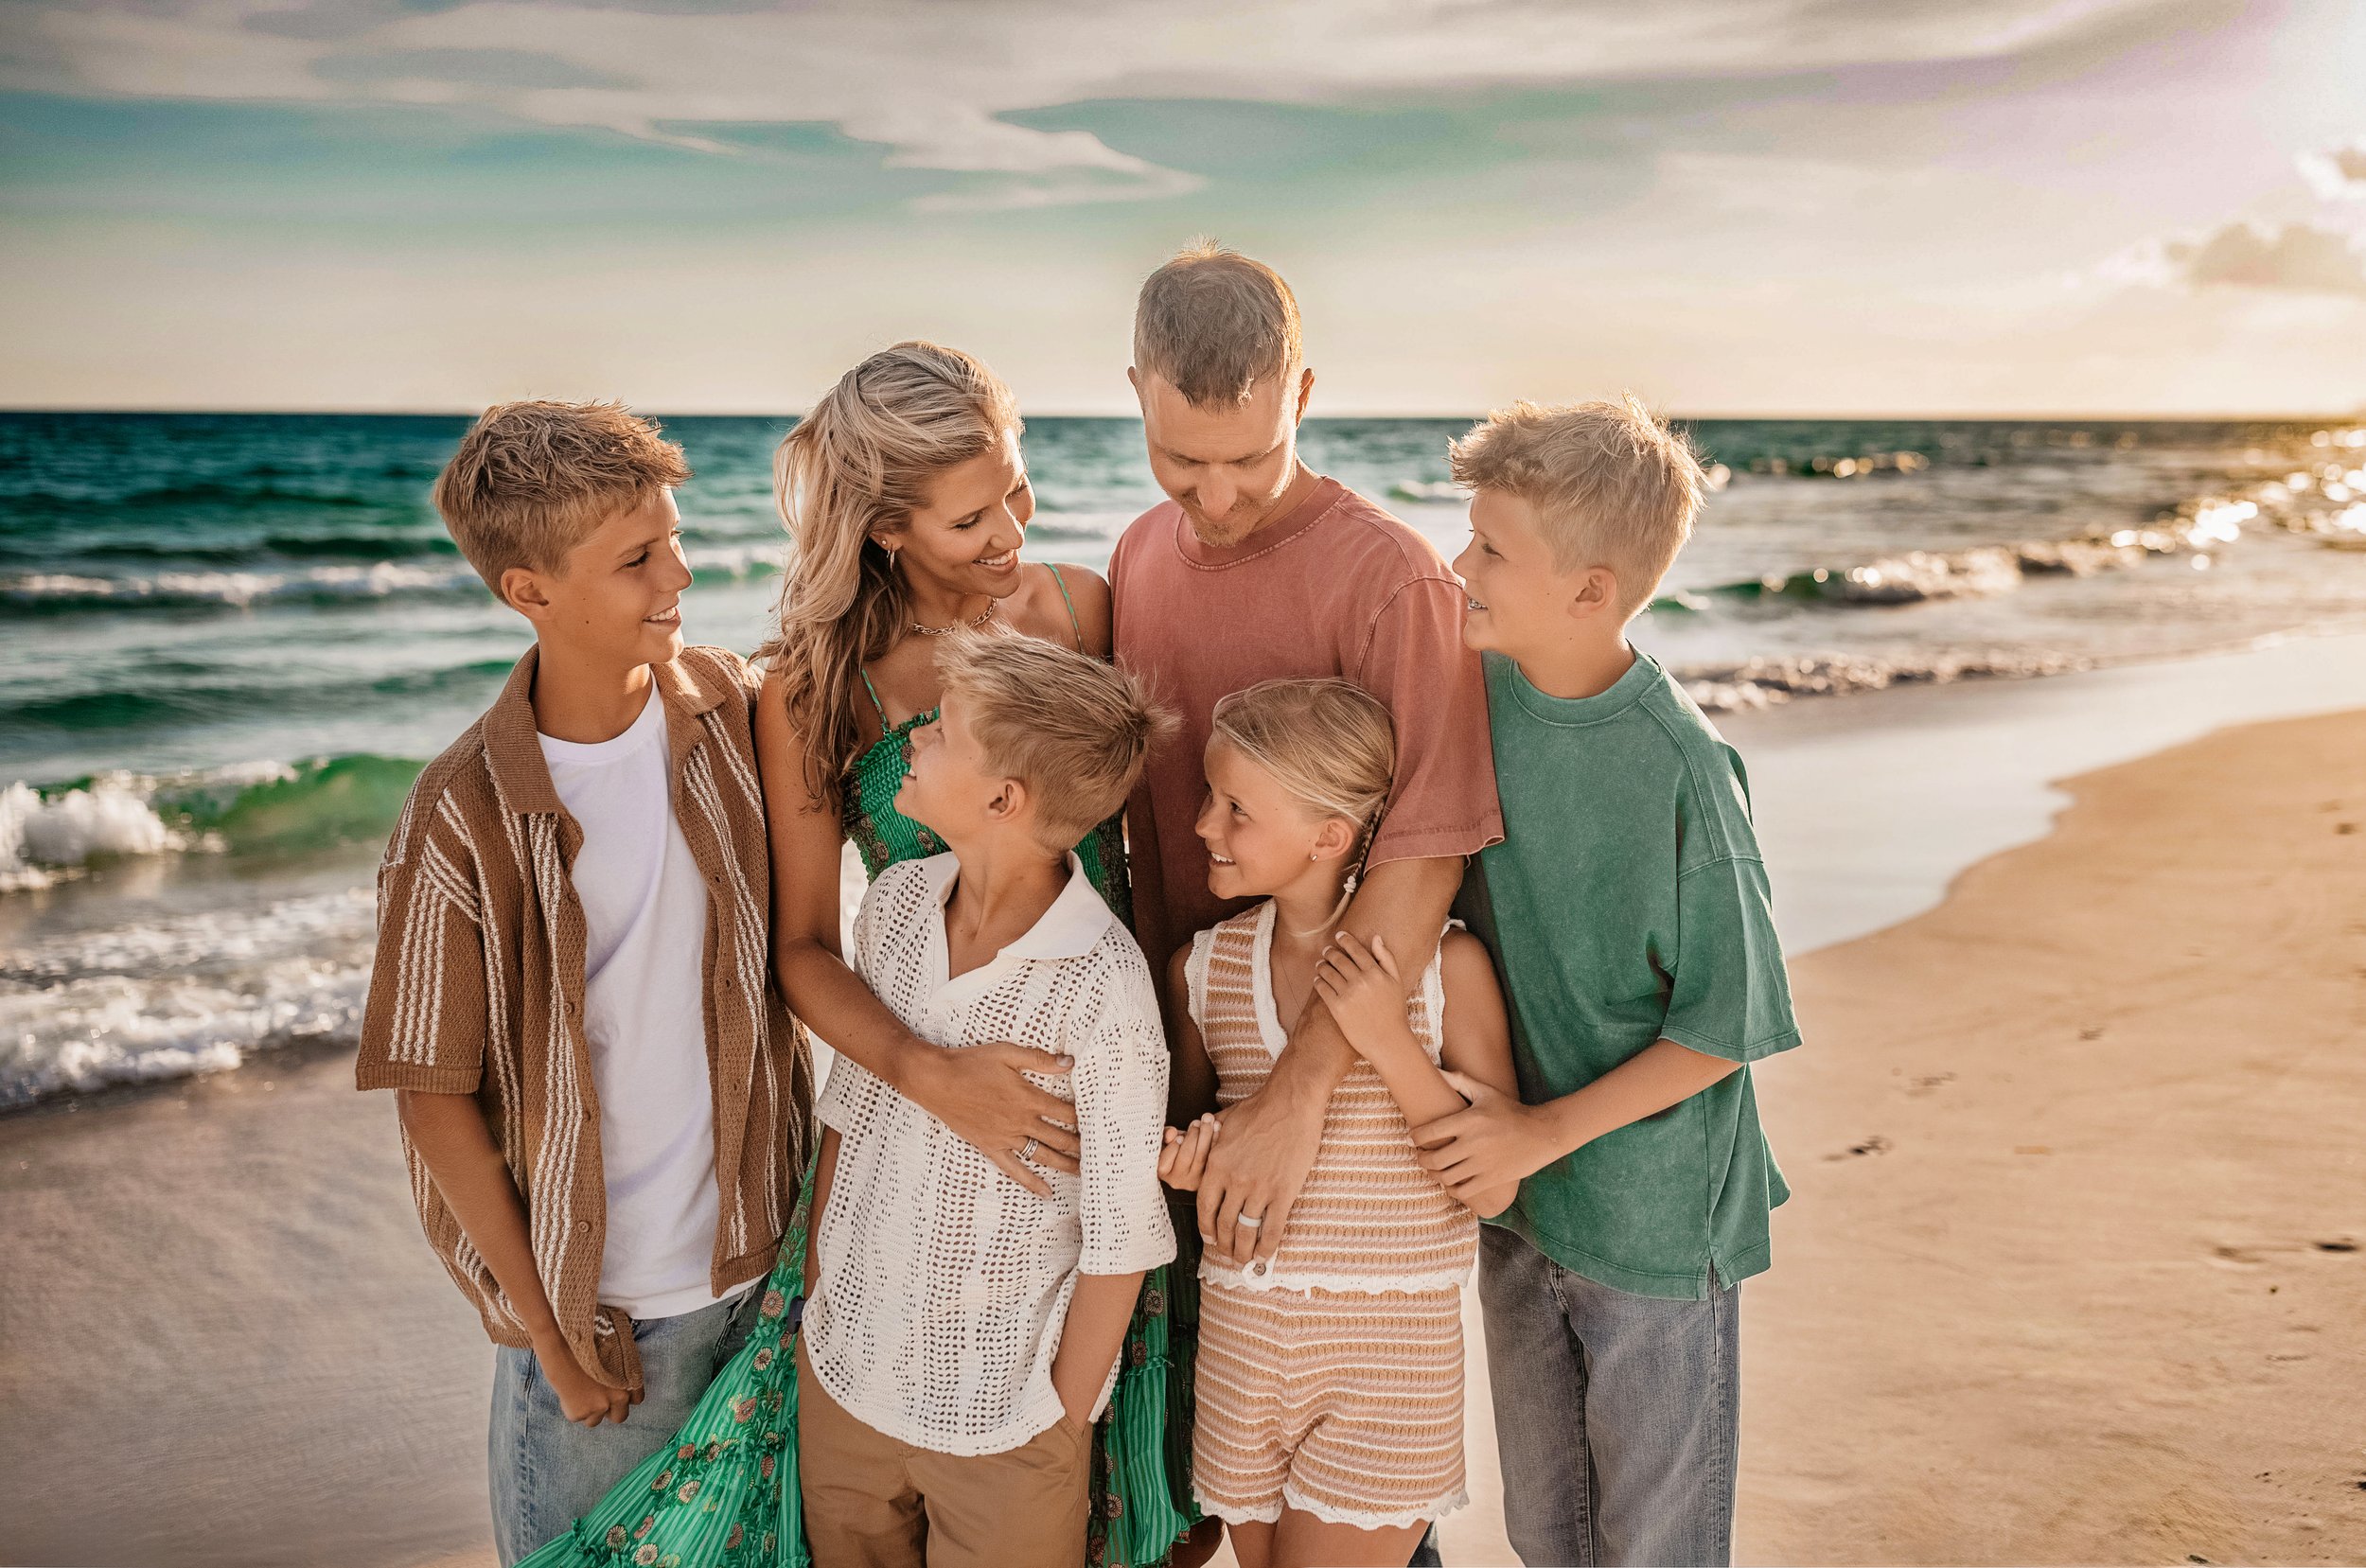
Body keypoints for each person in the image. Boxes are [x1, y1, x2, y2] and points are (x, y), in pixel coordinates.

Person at [754, 342, 1194, 1566]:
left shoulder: (1079, 610)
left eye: (1017, 486)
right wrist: (931, 1075)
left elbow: (1149, 862)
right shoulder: (817, 688)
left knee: (1114, 1496)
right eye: (970, 518)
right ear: (885, 526)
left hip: (1093, 1118)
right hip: (912, 1138)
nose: (1013, 530)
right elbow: (805, 947)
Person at [355, 400, 811, 1567]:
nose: (680, 574)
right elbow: (431, 1097)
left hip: (764, 1284)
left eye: (674, 539)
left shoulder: (731, 715)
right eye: (637, 557)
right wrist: (552, 1339)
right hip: (606, 1333)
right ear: (530, 590)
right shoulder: (459, 813)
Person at [1416, 398, 1804, 1566]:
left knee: (1654, 1544)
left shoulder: (1683, 768)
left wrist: (1539, 1132)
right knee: (1549, 1534)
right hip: (1522, 1204)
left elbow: (1728, 1025)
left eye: (1491, 549)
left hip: (1653, 1223)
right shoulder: (1473, 696)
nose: (1459, 565)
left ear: (1590, 591)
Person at [1107, 240, 1503, 1273]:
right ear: (1137, 392)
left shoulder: (1394, 578)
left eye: (1250, 458)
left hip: (1335, 1102)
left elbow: (1424, 856)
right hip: (1187, 1063)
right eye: (1182, 460)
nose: (1216, 496)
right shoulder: (1137, 553)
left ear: (1304, 395)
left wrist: (1296, 1094)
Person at [797, 631, 1178, 1568]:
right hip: (847, 1378)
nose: (915, 738)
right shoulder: (894, 905)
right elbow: (850, 1112)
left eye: (942, 730)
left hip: (1006, 1423)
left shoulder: (1103, 985)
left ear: (1004, 799)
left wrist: (1059, 1417)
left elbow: (1123, 1235)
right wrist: (819, 1296)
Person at [1156, 679, 1519, 1568]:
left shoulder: (1447, 968)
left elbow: (1495, 1185)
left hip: (1385, 1369)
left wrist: (1386, 1038)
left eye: (1236, 808)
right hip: (1241, 1355)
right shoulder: (1201, 970)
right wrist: (1187, 1164)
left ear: (1330, 836)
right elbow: (1193, 1150)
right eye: (1209, 798)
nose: (1202, 824)